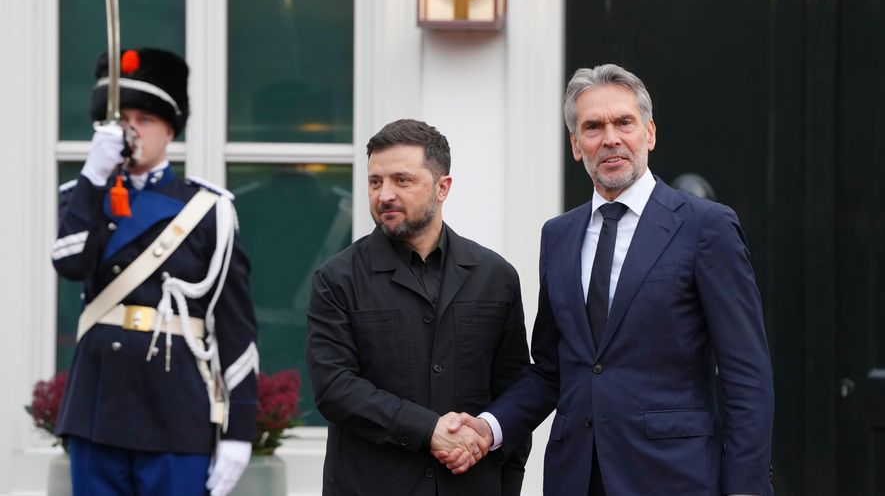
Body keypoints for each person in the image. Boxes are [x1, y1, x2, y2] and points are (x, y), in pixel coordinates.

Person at [440, 64, 775, 496]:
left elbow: (745, 372)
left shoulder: (705, 227)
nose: (610, 138)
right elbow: (551, 370)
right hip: (576, 476)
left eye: (624, 122)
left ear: (649, 133)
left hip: (676, 477)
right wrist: (488, 428)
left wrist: (746, 488)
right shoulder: (558, 236)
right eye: (593, 127)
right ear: (576, 145)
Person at [52, 48, 259, 496]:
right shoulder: (81, 195)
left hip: (176, 409)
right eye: (119, 118)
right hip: (98, 407)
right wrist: (94, 175)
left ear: (169, 128)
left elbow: (236, 328)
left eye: (143, 118)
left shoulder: (209, 209)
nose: (130, 130)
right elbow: (69, 263)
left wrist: (240, 430)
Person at [306, 119, 531, 496]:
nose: (384, 195)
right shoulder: (337, 278)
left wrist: (505, 478)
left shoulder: (496, 277)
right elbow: (335, 388)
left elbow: (514, 390)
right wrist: (429, 431)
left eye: (402, 180)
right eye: (375, 182)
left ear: (443, 187)